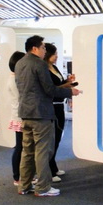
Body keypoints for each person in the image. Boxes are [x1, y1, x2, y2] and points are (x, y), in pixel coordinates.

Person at [15, 35, 80, 197]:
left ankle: (24, 186)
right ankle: (43, 187)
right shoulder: (39, 64)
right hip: (41, 113)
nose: (45, 50)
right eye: (43, 47)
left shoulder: (20, 63)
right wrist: (70, 92)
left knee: (27, 151)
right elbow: (49, 89)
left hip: (25, 113)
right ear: (35, 48)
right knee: (43, 151)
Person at [44, 43, 75, 181]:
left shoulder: (54, 67)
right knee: (52, 139)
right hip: (52, 106)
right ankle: (49, 170)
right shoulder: (44, 70)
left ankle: (53, 166)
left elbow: (58, 85)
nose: (56, 56)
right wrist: (66, 86)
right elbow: (51, 89)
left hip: (59, 105)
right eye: (54, 54)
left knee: (57, 138)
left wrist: (68, 81)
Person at [8, 50, 26, 186]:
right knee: (20, 148)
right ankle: (17, 177)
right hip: (20, 117)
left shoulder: (13, 78)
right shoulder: (16, 80)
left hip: (18, 115)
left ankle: (20, 176)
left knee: (21, 147)